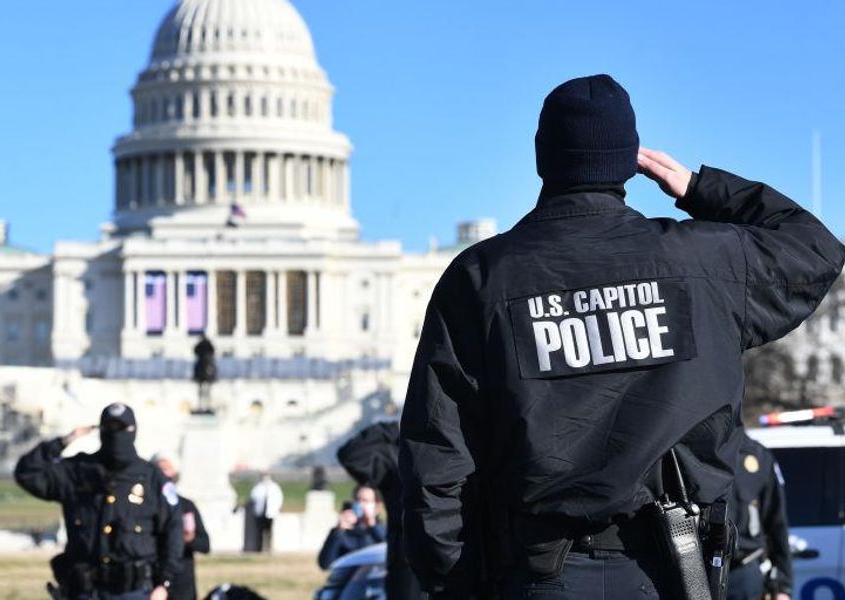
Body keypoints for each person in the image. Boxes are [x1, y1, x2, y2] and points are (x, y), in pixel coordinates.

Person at [398, 74, 845, 599]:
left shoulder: (482, 277)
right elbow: (815, 248)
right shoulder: (704, 262)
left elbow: (437, 457)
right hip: (674, 573)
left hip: (534, 571)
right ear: (630, 157)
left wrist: (455, 584)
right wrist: (698, 188)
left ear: (544, 157)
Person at [14, 402, 183, 599]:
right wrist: (64, 441)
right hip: (86, 591)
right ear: (101, 430)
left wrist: (164, 583)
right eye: (110, 428)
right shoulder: (78, 471)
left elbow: (173, 531)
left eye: (121, 428)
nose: (116, 435)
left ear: (133, 431)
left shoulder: (151, 478)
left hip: (134, 591)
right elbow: (27, 473)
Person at [337, 421, 421, 598]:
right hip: (407, 561)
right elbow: (350, 455)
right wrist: (392, 428)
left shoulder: (452, 447)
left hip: (454, 556)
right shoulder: (396, 456)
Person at [727, 437, 793, 600]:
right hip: (699, 570)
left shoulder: (757, 455)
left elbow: (777, 523)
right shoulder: (694, 449)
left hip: (743, 572)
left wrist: (783, 585)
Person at [154, 455, 210, 600]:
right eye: (159, 469)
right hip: (154, 579)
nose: (163, 474)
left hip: (182, 582)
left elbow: (205, 545)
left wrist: (188, 539)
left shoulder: (186, 506)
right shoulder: (147, 506)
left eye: (166, 469)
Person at [317, 485, 387, 570]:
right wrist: (338, 531)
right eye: (357, 500)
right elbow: (325, 564)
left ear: (377, 506)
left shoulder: (383, 531)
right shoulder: (343, 532)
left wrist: (373, 526)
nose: (360, 504)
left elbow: (389, 552)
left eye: (365, 501)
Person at [247, 472, 283, 553]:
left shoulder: (274, 487)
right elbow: (253, 498)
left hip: (271, 513)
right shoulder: (258, 488)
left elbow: (279, 499)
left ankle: (269, 548)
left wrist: (277, 509)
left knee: (269, 531)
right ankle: (259, 548)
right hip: (259, 513)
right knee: (259, 532)